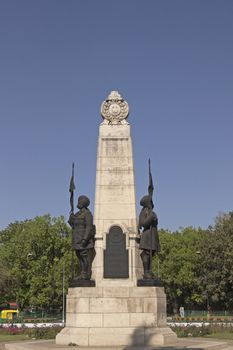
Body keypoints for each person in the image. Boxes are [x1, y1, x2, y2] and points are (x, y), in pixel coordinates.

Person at [68, 195, 95, 280]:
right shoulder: (77, 214)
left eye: (79, 202)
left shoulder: (88, 214)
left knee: (84, 257)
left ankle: (85, 274)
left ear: (83, 203)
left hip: (83, 240)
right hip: (76, 239)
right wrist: (71, 218)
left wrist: (85, 239)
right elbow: (73, 225)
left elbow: (89, 227)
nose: (78, 203)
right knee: (79, 257)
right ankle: (81, 273)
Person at [138, 195, 160, 279]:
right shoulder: (144, 211)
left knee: (151, 254)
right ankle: (146, 272)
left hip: (153, 235)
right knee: (146, 254)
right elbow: (143, 223)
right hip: (147, 235)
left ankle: (149, 271)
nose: (152, 203)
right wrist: (151, 217)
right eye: (150, 201)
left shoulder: (151, 212)